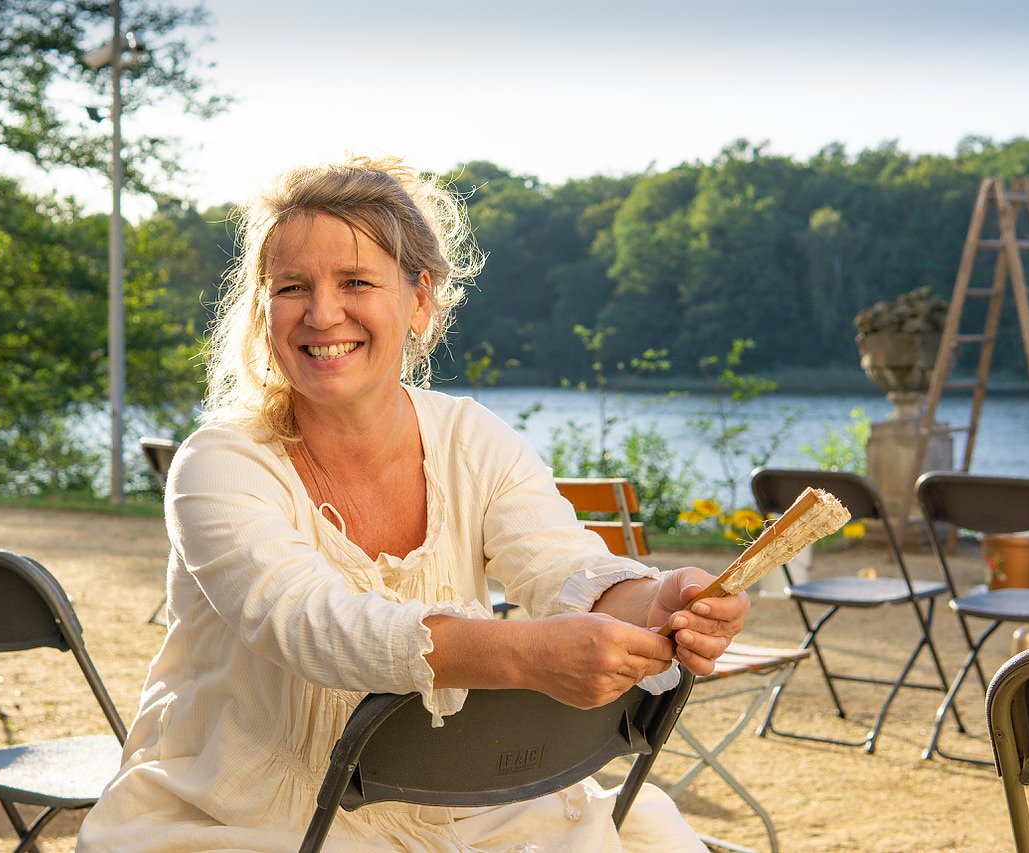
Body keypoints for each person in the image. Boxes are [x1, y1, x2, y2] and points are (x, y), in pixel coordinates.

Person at [77, 156, 749, 852]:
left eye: (356, 282)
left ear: (419, 300)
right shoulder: (219, 463)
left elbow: (563, 567)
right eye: (292, 287)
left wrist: (661, 600)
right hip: (247, 809)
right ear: (262, 310)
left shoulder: (471, 439)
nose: (321, 313)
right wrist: (526, 656)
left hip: (455, 798)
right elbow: (313, 627)